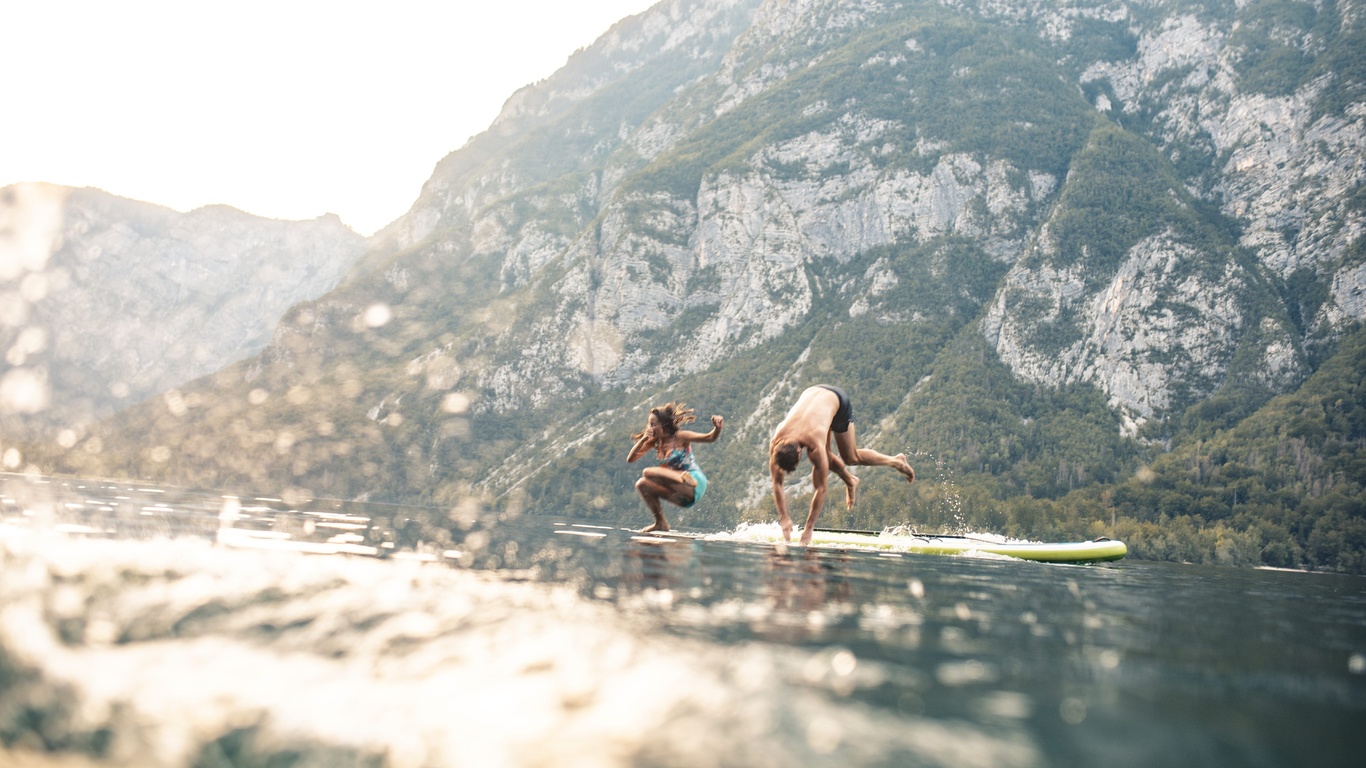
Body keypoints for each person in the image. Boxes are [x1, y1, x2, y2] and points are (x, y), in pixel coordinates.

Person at [769, 384, 914, 545]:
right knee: (828, 459)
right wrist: (784, 518)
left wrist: (809, 528)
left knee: (851, 458)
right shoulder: (776, 441)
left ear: (798, 451)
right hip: (813, 393)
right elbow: (777, 483)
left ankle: (896, 461)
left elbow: (821, 489)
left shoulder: (815, 445)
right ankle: (851, 480)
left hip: (837, 401)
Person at [627, 401, 723, 533]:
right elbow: (631, 459)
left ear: (664, 424)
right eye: (649, 424)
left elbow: (709, 438)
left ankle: (685, 477)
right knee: (642, 484)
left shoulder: (679, 437)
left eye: (653, 424)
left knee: (647, 472)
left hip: (695, 483)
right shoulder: (654, 442)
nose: (650, 427)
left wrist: (717, 428)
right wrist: (643, 439)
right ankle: (661, 523)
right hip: (683, 495)